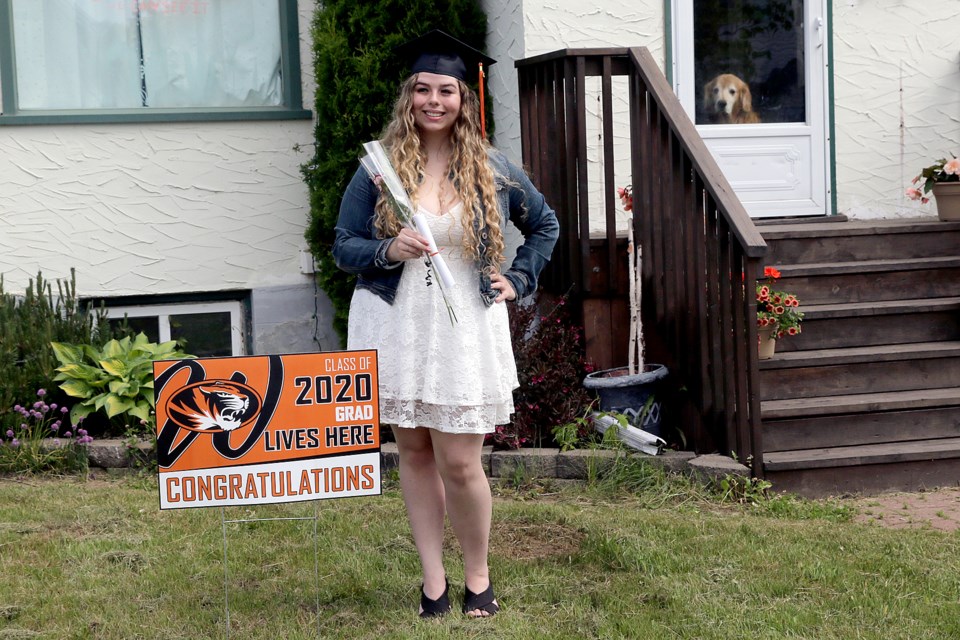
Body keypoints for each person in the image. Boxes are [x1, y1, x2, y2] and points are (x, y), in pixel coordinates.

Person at [332, 29, 559, 619]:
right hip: (396, 322)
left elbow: (545, 226)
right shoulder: (380, 170)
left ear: (464, 100)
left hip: (463, 330)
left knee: (460, 460)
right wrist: (388, 252)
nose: (434, 100)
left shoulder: (491, 167)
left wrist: (519, 278)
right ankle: (433, 582)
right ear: (408, 97)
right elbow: (342, 245)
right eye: (422, 89)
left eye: (447, 91)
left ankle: (477, 575)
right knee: (413, 453)